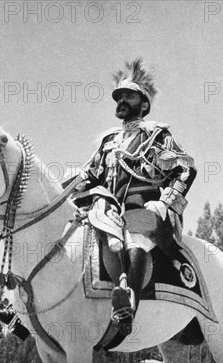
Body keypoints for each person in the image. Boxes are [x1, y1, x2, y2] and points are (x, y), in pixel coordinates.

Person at [73, 58, 197, 335]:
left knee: (135, 235)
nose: (121, 101)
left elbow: (186, 170)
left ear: (144, 103)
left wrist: (164, 204)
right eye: (118, 96)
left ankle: (128, 309)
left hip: (144, 210)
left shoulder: (156, 136)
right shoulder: (108, 142)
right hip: (108, 210)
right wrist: (61, 189)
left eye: (129, 95)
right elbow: (88, 175)